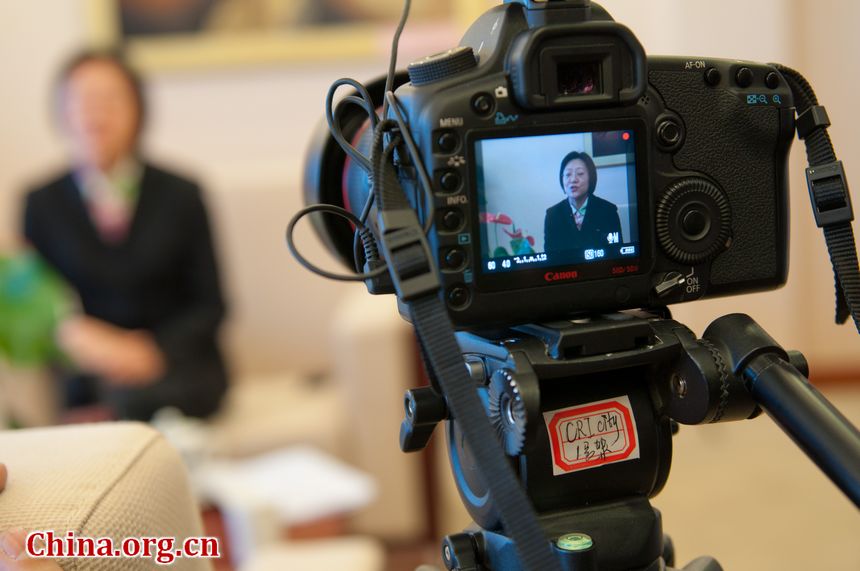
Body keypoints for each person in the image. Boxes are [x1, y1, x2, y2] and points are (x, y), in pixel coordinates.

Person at [21, 50, 228, 421]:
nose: (96, 113)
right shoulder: (41, 202)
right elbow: (37, 310)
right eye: (83, 99)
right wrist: (98, 348)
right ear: (62, 112)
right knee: (105, 405)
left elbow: (211, 304)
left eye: (110, 99)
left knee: (142, 404)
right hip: (91, 376)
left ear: (138, 111)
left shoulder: (182, 192)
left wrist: (151, 351)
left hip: (178, 368)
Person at [543, 151, 622, 257]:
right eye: (567, 174)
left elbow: (616, 252)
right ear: (562, 180)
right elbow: (551, 256)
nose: (573, 179)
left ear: (591, 177)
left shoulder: (608, 211)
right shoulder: (552, 215)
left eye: (580, 174)